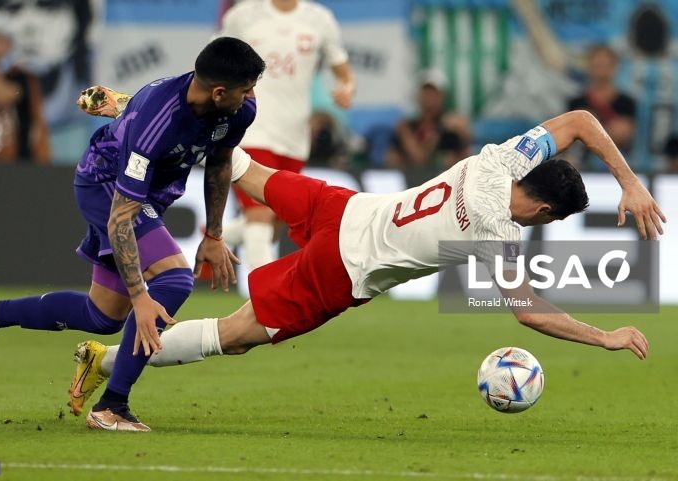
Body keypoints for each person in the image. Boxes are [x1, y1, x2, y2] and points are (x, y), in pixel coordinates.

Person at [67, 108, 664, 431]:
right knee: (241, 334)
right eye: (550, 221)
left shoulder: (504, 158)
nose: (543, 227)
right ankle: (114, 362)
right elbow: (530, 312)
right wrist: (602, 335)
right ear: (540, 208)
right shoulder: (497, 233)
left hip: (343, 207)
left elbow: (582, 121)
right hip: (344, 267)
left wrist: (629, 183)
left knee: (245, 168)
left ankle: (147, 114)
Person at [0, 37, 266, 432]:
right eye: (246, 88)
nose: (252, 95)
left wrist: (214, 234)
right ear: (219, 92)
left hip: (147, 194)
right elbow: (120, 219)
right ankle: (112, 407)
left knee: (102, 317)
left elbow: (219, 162)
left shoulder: (238, 109)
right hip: (106, 186)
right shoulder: (158, 120)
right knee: (174, 280)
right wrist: (141, 297)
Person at [216, 0, 356, 273]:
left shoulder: (320, 19)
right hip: (250, 127)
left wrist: (346, 89)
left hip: (294, 136)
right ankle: (264, 299)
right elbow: (215, 61)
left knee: (276, 218)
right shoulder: (243, 15)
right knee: (260, 213)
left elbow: (343, 72)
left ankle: (220, 235)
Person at [567, 45, 637, 170]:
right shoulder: (576, 102)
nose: (600, 69)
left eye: (604, 65)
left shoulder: (627, 102)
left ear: (614, 67)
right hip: (581, 166)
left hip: (619, 166)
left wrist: (586, 129)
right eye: (597, 65)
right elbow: (568, 139)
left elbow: (624, 134)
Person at [384, 70, 471, 171]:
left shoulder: (452, 127)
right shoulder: (407, 127)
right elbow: (413, 159)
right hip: (413, 178)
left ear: (443, 96)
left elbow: (464, 154)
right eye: (426, 93)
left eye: (434, 94)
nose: (429, 98)